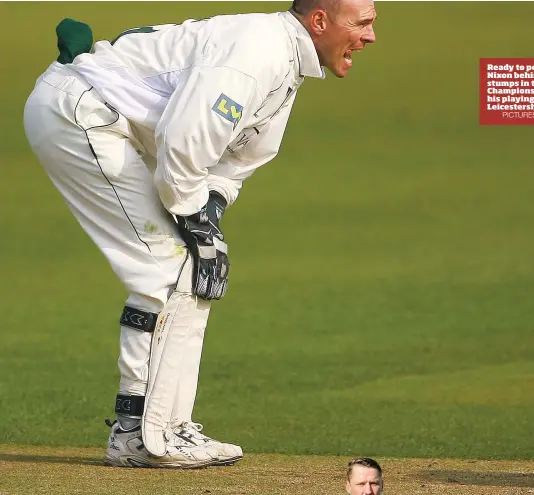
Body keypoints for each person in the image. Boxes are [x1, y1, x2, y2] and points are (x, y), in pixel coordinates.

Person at [23, 0, 376, 470]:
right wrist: (196, 224)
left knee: (183, 270)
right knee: (168, 271)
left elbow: (240, 160)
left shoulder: (286, 64)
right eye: (363, 23)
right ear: (319, 21)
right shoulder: (258, 53)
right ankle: (145, 433)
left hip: (115, 123)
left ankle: (160, 426)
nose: (370, 36)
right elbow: (186, 143)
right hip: (82, 111)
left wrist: (207, 212)